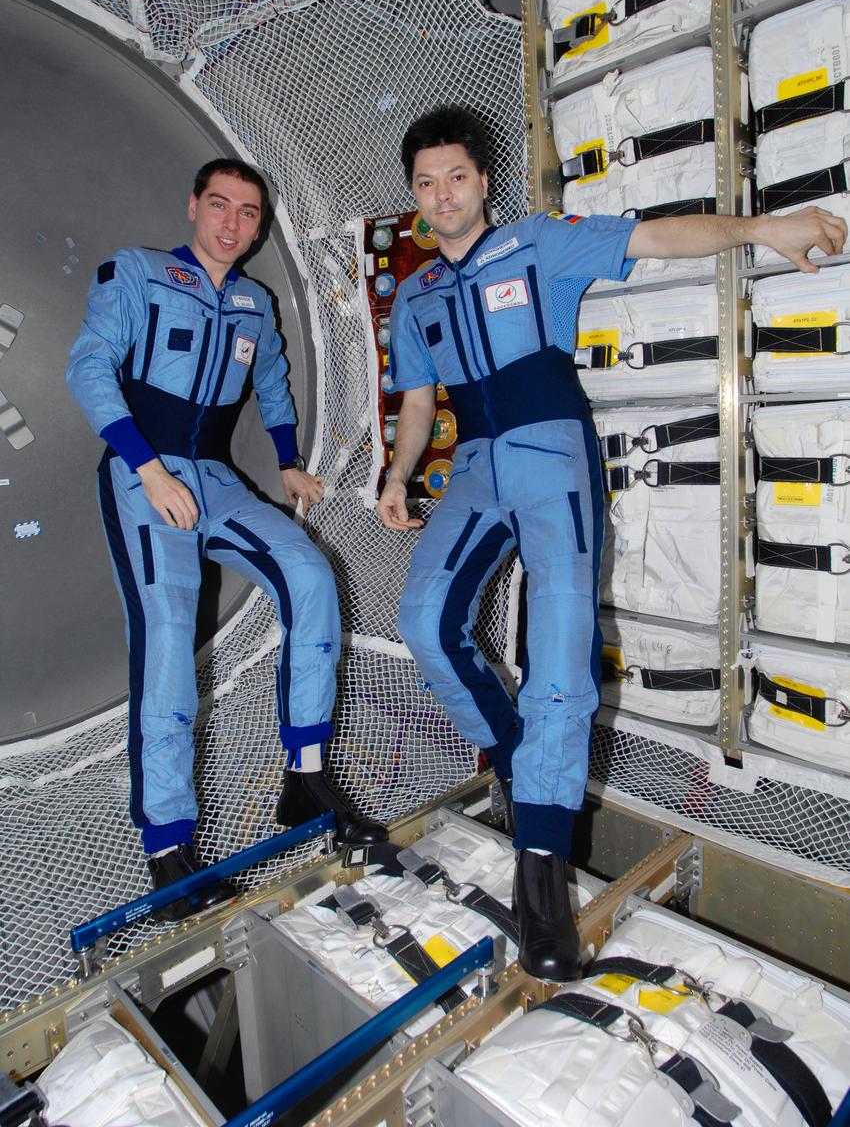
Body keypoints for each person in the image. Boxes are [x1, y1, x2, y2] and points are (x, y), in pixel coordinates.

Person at [376, 105, 847, 980]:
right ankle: (521, 762)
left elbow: (663, 237)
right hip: (475, 465)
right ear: (415, 196)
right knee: (422, 622)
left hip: (553, 453)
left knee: (559, 659)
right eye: (426, 183)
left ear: (484, 181)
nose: (442, 195)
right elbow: (415, 405)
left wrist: (764, 227)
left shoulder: (538, 245)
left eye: (457, 177)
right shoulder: (414, 296)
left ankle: (543, 872)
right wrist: (399, 475)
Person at [67, 159, 386, 921]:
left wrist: (285, 461)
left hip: (212, 479)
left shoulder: (253, 302)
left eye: (248, 213)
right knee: (170, 638)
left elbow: (272, 383)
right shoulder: (138, 275)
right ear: (193, 207)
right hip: (146, 477)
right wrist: (148, 470)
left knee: (310, 576)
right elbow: (88, 368)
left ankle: (304, 776)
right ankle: (168, 848)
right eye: (220, 206)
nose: (232, 223)